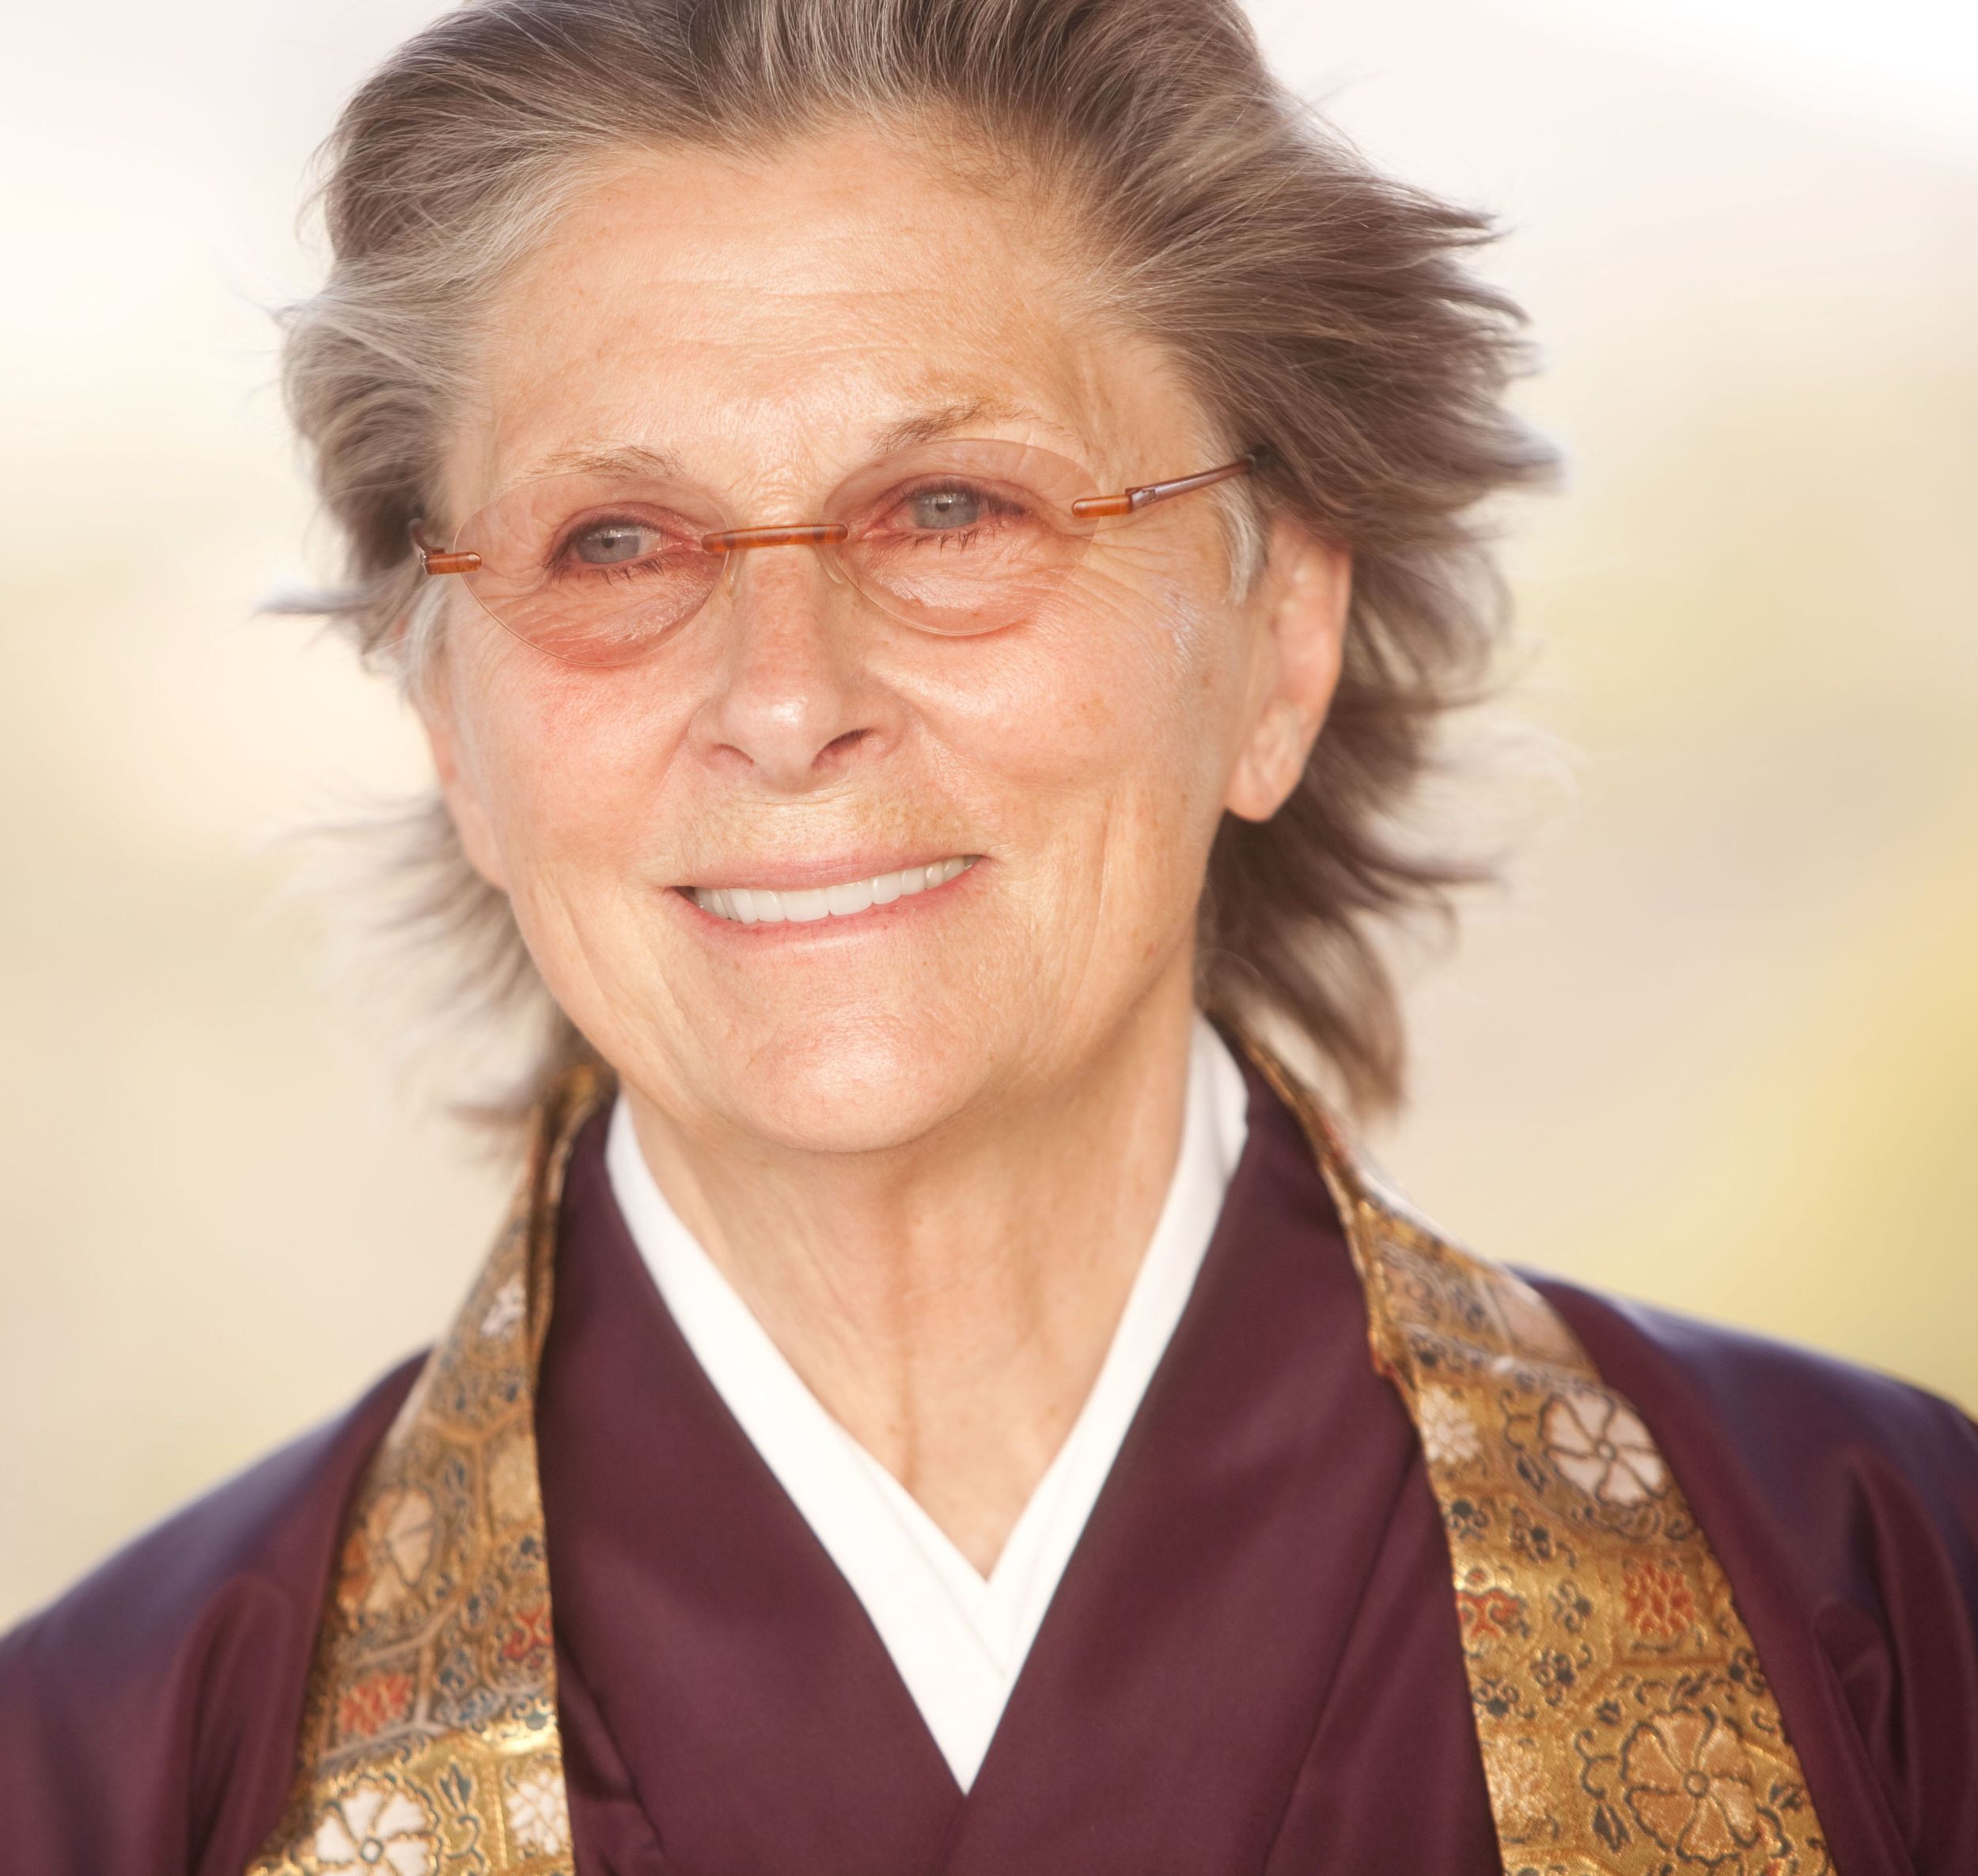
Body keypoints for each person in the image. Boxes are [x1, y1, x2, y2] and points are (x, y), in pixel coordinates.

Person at [2, 1, 1975, 1870]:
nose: (784, 700)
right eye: (614, 543)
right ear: (448, 718)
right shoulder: (113, 1775)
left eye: (947, 509)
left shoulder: (1878, 1607)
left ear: (1278, 639)